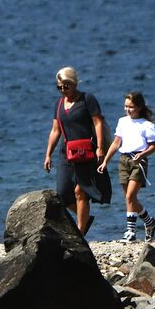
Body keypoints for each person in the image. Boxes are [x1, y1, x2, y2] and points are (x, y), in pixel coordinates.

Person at [43, 66, 111, 236]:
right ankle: (85, 219)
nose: (63, 90)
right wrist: (48, 154)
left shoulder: (87, 99)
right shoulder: (58, 105)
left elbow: (98, 123)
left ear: (74, 83)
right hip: (66, 152)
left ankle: (80, 232)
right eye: (59, 87)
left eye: (66, 86)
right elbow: (55, 130)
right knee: (63, 194)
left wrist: (101, 148)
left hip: (86, 152)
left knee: (81, 192)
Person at [98, 91, 155, 242]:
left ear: (139, 107)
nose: (127, 109)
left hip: (139, 161)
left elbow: (153, 147)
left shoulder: (147, 125)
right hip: (123, 160)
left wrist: (143, 154)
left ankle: (130, 232)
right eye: (126, 106)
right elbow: (116, 142)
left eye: (131, 107)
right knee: (130, 198)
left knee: (130, 196)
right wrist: (105, 160)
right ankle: (150, 223)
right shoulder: (122, 122)